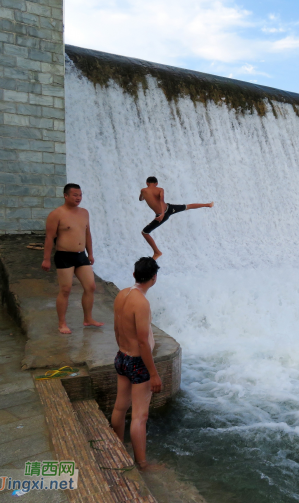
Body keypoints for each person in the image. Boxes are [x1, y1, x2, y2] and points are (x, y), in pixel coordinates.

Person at [111, 257, 163, 471]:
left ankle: (116, 450)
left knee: (120, 407)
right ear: (154, 278)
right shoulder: (142, 303)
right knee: (140, 416)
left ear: (134, 275)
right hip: (138, 362)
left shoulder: (122, 294)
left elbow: (116, 328)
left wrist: (123, 351)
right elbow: (142, 341)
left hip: (122, 356)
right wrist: (153, 374)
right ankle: (142, 463)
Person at [42, 183, 103, 334]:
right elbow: (49, 238)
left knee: (91, 287)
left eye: (80, 195)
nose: (78, 198)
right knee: (65, 289)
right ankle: (62, 323)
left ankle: (88, 318)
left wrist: (90, 254)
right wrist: (46, 259)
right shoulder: (57, 214)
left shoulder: (84, 213)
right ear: (66, 195)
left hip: (81, 255)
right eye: (75, 195)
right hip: (64, 256)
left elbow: (87, 234)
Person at [139, 176, 214, 260]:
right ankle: (208, 204)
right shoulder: (160, 189)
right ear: (156, 184)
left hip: (161, 216)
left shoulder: (143, 190)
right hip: (169, 208)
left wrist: (162, 214)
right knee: (187, 206)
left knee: (145, 232)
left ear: (147, 183)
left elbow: (141, 199)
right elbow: (161, 200)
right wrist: (163, 213)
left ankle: (157, 252)